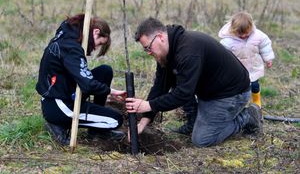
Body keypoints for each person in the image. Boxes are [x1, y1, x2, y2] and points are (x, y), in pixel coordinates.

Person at [125, 17, 263, 147]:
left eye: (148, 47)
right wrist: (143, 122)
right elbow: (160, 86)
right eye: (145, 50)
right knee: (176, 80)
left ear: (160, 37)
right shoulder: (167, 51)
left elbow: (183, 94)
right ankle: (194, 119)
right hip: (210, 91)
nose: (148, 52)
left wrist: (148, 105)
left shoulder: (188, 51)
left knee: (202, 139)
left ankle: (248, 117)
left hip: (231, 94)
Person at [36, 13, 126, 145]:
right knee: (115, 120)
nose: (95, 48)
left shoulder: (67, 36)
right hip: (59, 106)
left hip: (64, 91)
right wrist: (110, 92)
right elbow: (88, 85)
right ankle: (58, 124)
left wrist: (106, 90)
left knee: (104, 71)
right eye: (99, 43)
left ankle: (95, 131)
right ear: (95, 32)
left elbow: (83, 78)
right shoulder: (71, 48)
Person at [218, 11, 275, 108]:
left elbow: (265, 46)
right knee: (238, 88)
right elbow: (223, 55)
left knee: (254, 85)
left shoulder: (258, 36)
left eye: (246, 33)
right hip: (237, 69)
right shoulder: (227, 41)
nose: (244, 36)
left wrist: (268, 59)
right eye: (240, 34)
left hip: (253, 67)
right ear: (233, 29)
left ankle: (256, 101)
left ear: (251, 27)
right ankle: (238, 103)